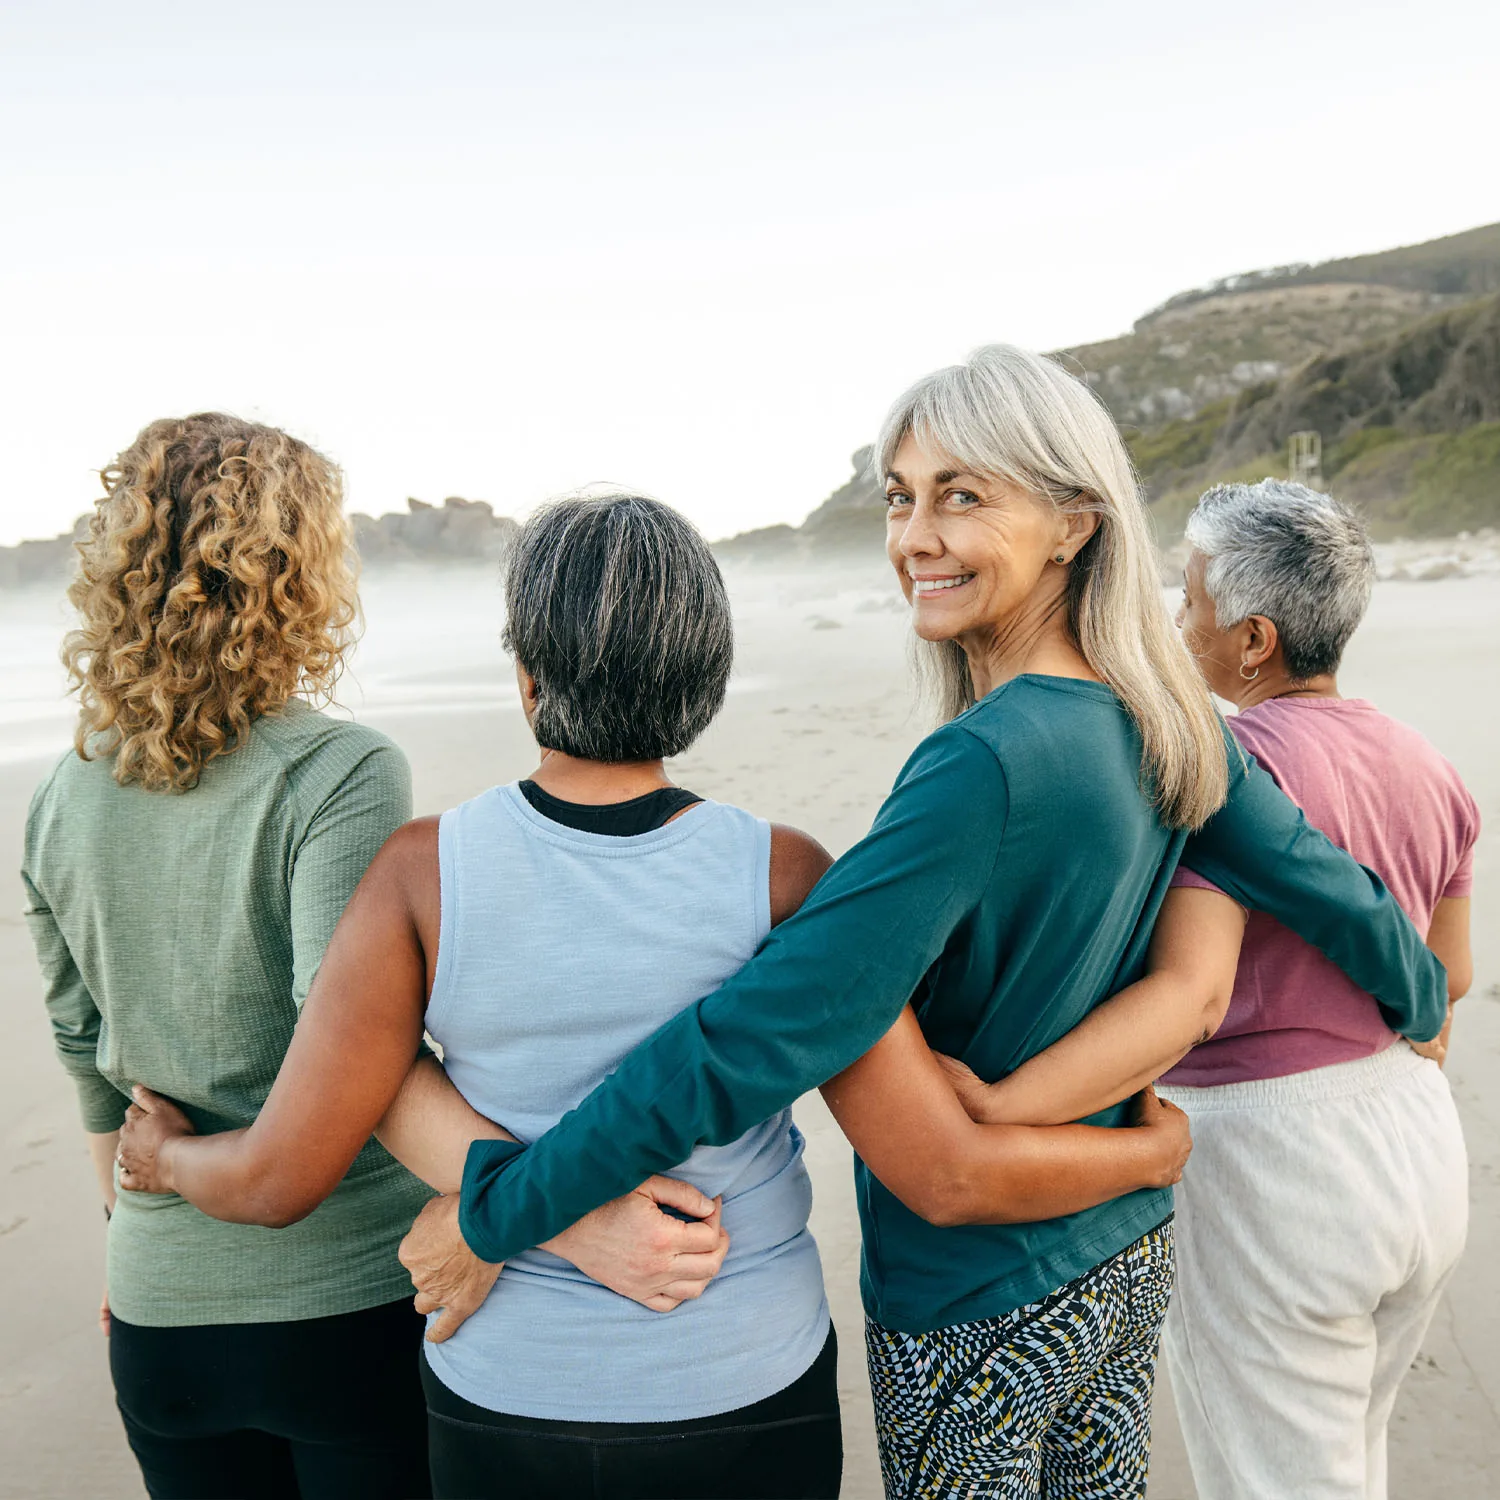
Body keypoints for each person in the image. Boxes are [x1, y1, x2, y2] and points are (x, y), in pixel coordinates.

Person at [386, 348, 1450, 1499]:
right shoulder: (1164, 719)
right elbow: (1324, 879)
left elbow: (750, 1037)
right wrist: (1422, 995)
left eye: (962, 494)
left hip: (974, 1301)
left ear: (1074, 524)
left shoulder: (982, 767)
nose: (915, 537)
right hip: (1118, 1260)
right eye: (901, 496)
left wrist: (499, 1210)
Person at [116, 491, 1202, 1500]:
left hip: (512, 1393)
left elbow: (278, 1176)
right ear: (703, 683)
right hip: (741, 1382)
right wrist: (1151, 1154)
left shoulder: (419, 872)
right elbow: (933, 1161)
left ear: (528, 678)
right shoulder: (786, 875)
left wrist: (163, 1159)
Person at [23, 419, 720, 1500]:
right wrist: (546, 1216)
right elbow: (355, 1042)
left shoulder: (59, 797)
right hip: (344, 1304)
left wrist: (134, 1235)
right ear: (299, 572)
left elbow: (83, 1053)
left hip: (159, 1315)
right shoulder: (336, 774)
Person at [1157, 480, 1475, 1500]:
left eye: (1188, 596)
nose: (1173, 617)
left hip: (1275, 1162)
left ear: (1252, 640)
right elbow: (1452, 976)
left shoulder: (1229, 776)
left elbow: (1190, 991)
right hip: (1414, 1141)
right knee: (1347, 1465)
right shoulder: (1426, 760)